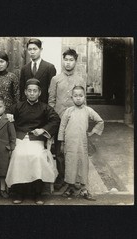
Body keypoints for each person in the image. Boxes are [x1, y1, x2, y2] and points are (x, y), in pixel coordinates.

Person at [5, 79, 60, 205]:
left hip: (36, 140)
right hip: (20, 138)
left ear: (39, 93)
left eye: (35, 91)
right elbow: (6, 115)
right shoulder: (18, 106)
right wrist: (8, 117)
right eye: (29, 91)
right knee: (18, 155)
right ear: (25, 92)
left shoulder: (45, 107)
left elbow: (55, 120)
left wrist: (43, 130)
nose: (32, 93)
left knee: (38, 156)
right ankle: (18, 192)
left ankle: (37, 193)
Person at [48, 48, 86, 190]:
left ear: (75, 62)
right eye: (66, 60)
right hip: (59, 120)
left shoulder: (80, 80)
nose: (68, 63)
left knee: (75, 149)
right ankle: (62, 177)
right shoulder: (56, 79)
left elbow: (83, 101)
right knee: (59, 150)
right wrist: (53, 117)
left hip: (75, 121)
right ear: (63, 61)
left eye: (71, 60)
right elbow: (51, 101)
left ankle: (74, 178)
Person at [58, 86, 104, 201]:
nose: (78, 98)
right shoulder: (68, 111)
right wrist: (62, 142)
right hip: (69, 143)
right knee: (70, 164)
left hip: (82, 143)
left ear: (84, 97)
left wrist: (93, 131)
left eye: (81, 96)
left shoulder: (88, 110)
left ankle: (84, 189)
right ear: (72, 97)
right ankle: (70, 187)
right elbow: (62, 127)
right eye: (75, 96)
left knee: (83, 164)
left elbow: (100, 121)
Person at [19, 38, 56, 103]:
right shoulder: (24, 68)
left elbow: (52, 91)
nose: (32, 52)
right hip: (27, 107)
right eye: (30, 49)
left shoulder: (49, 67)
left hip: (43, 106)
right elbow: (22, 90)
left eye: (35, 49)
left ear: (41, 50)